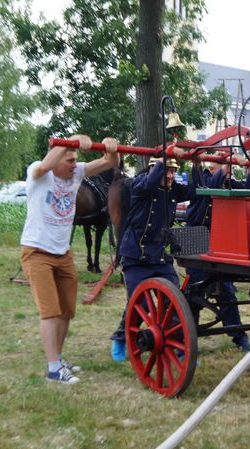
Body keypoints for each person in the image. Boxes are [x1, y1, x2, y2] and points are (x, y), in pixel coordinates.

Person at [21, 134, 119, 383]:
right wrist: (72, 140)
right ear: (56, 158)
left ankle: (59, 358)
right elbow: (44, 164)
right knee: (50, 311)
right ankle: (53, 368)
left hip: (63, 254)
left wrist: (111, 147)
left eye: (76, 159)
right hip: (37, 252)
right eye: (69, 159)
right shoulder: (39, 173)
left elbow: (109, 162)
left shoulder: (76, 174)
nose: (75, 164)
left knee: (66, 311)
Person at [110, 154, 197, 361]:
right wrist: (163, 160)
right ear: (153, 169)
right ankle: (121, 338)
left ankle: (179, 346)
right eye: (167, 171)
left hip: (158, 256)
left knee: (174, 301)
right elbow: (149, 184)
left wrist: (197, 164)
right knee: (141, 304)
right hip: (135, 256)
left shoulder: (173, 190)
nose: (171, 175)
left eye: (174, 171)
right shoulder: (139, 186)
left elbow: (195, 191)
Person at [185, 158, 250, 352]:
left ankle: (238, 336)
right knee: (195, 289)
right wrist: (225, 167)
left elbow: (247, 188)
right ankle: (189, 336)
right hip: (195, 238)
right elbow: (209, 187)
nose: (228, 174)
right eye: (223, 170)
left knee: (227, 290)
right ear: (211, 168)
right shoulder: (204, 178)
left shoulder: (225, 180)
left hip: (218, 241)